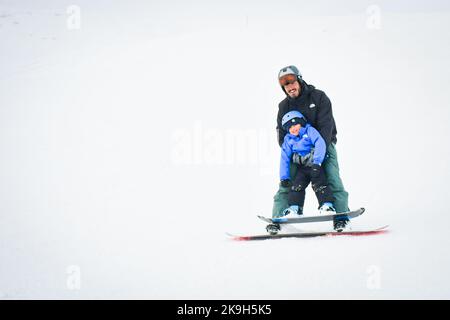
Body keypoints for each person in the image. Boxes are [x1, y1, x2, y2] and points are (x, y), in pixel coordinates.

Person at [272, 65, 350, 232]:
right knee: (286, 182)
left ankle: (342, 217)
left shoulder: (319, 97)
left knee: (332, 179)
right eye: (286, 85)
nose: (290, 87)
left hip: (324, 145)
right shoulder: (283, 106)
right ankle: (277, 219)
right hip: (297, 151)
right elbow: (281, 134)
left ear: (299, 80)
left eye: (292, 82)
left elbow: (326, 126)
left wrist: (316, 155)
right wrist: (297, 151)